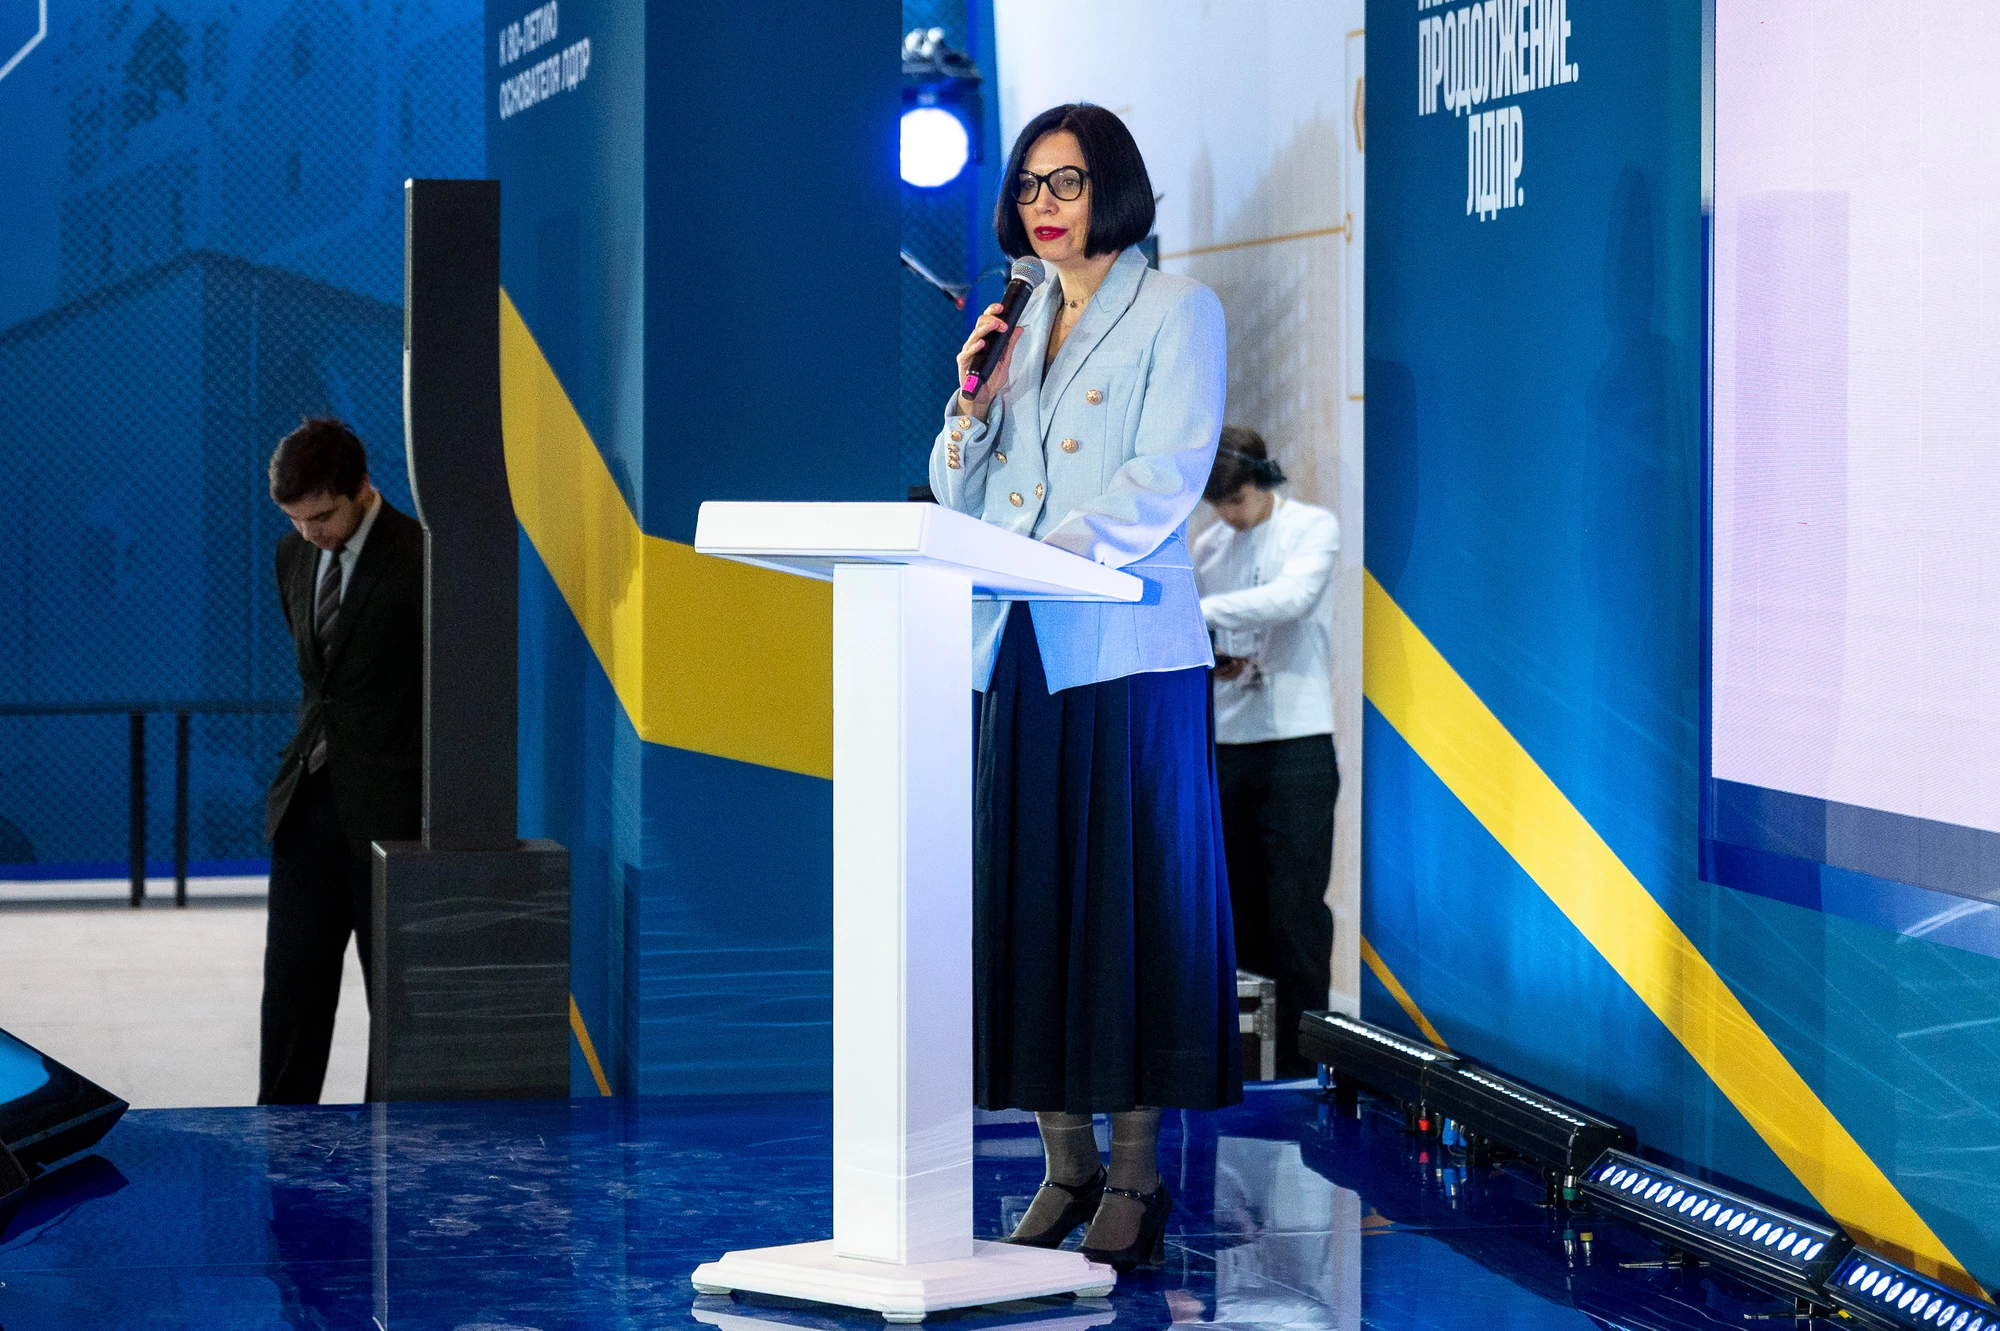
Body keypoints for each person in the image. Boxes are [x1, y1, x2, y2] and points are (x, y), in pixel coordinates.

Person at [929, 102, 1239, 1270]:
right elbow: (957, 490)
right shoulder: (1017, 318)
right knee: (1028, 902)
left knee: (1123, 904)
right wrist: (969, 405)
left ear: (1111, 187)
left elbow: (1167, 472)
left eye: (1063, 182)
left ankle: (1138, 1176)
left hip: (1119, 651)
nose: (1042, 206)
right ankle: (1063, 1163)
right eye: (1026, 186)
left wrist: (1046, 558)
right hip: (1015, 641)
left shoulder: (1175, 308)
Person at [260, 418, 424, 1105]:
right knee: (291, 992)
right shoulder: (291, 557)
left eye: (322, 516)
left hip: (392, 814)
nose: (310, 533)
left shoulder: (420, 556)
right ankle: (279, 1138)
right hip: (306, 804)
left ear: (361, 487)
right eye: (296, 519)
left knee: (396, 1002)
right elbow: (320, 687)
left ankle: (387, 1142)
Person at [1192, 428, 1340, 1080]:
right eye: (1219, 504)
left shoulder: (1312, 527)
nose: (1230, 515)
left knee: (1297, 907)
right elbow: (1209, 634)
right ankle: (1249, 1060)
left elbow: (1292, 598)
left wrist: (1197, 611)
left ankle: (1307, 1064)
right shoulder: (1209, 547)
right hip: (1230, 741)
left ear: (1265, 480)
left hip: (1298, 742)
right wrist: (1214, 653)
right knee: (1237, 905)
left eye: (1239, 500)